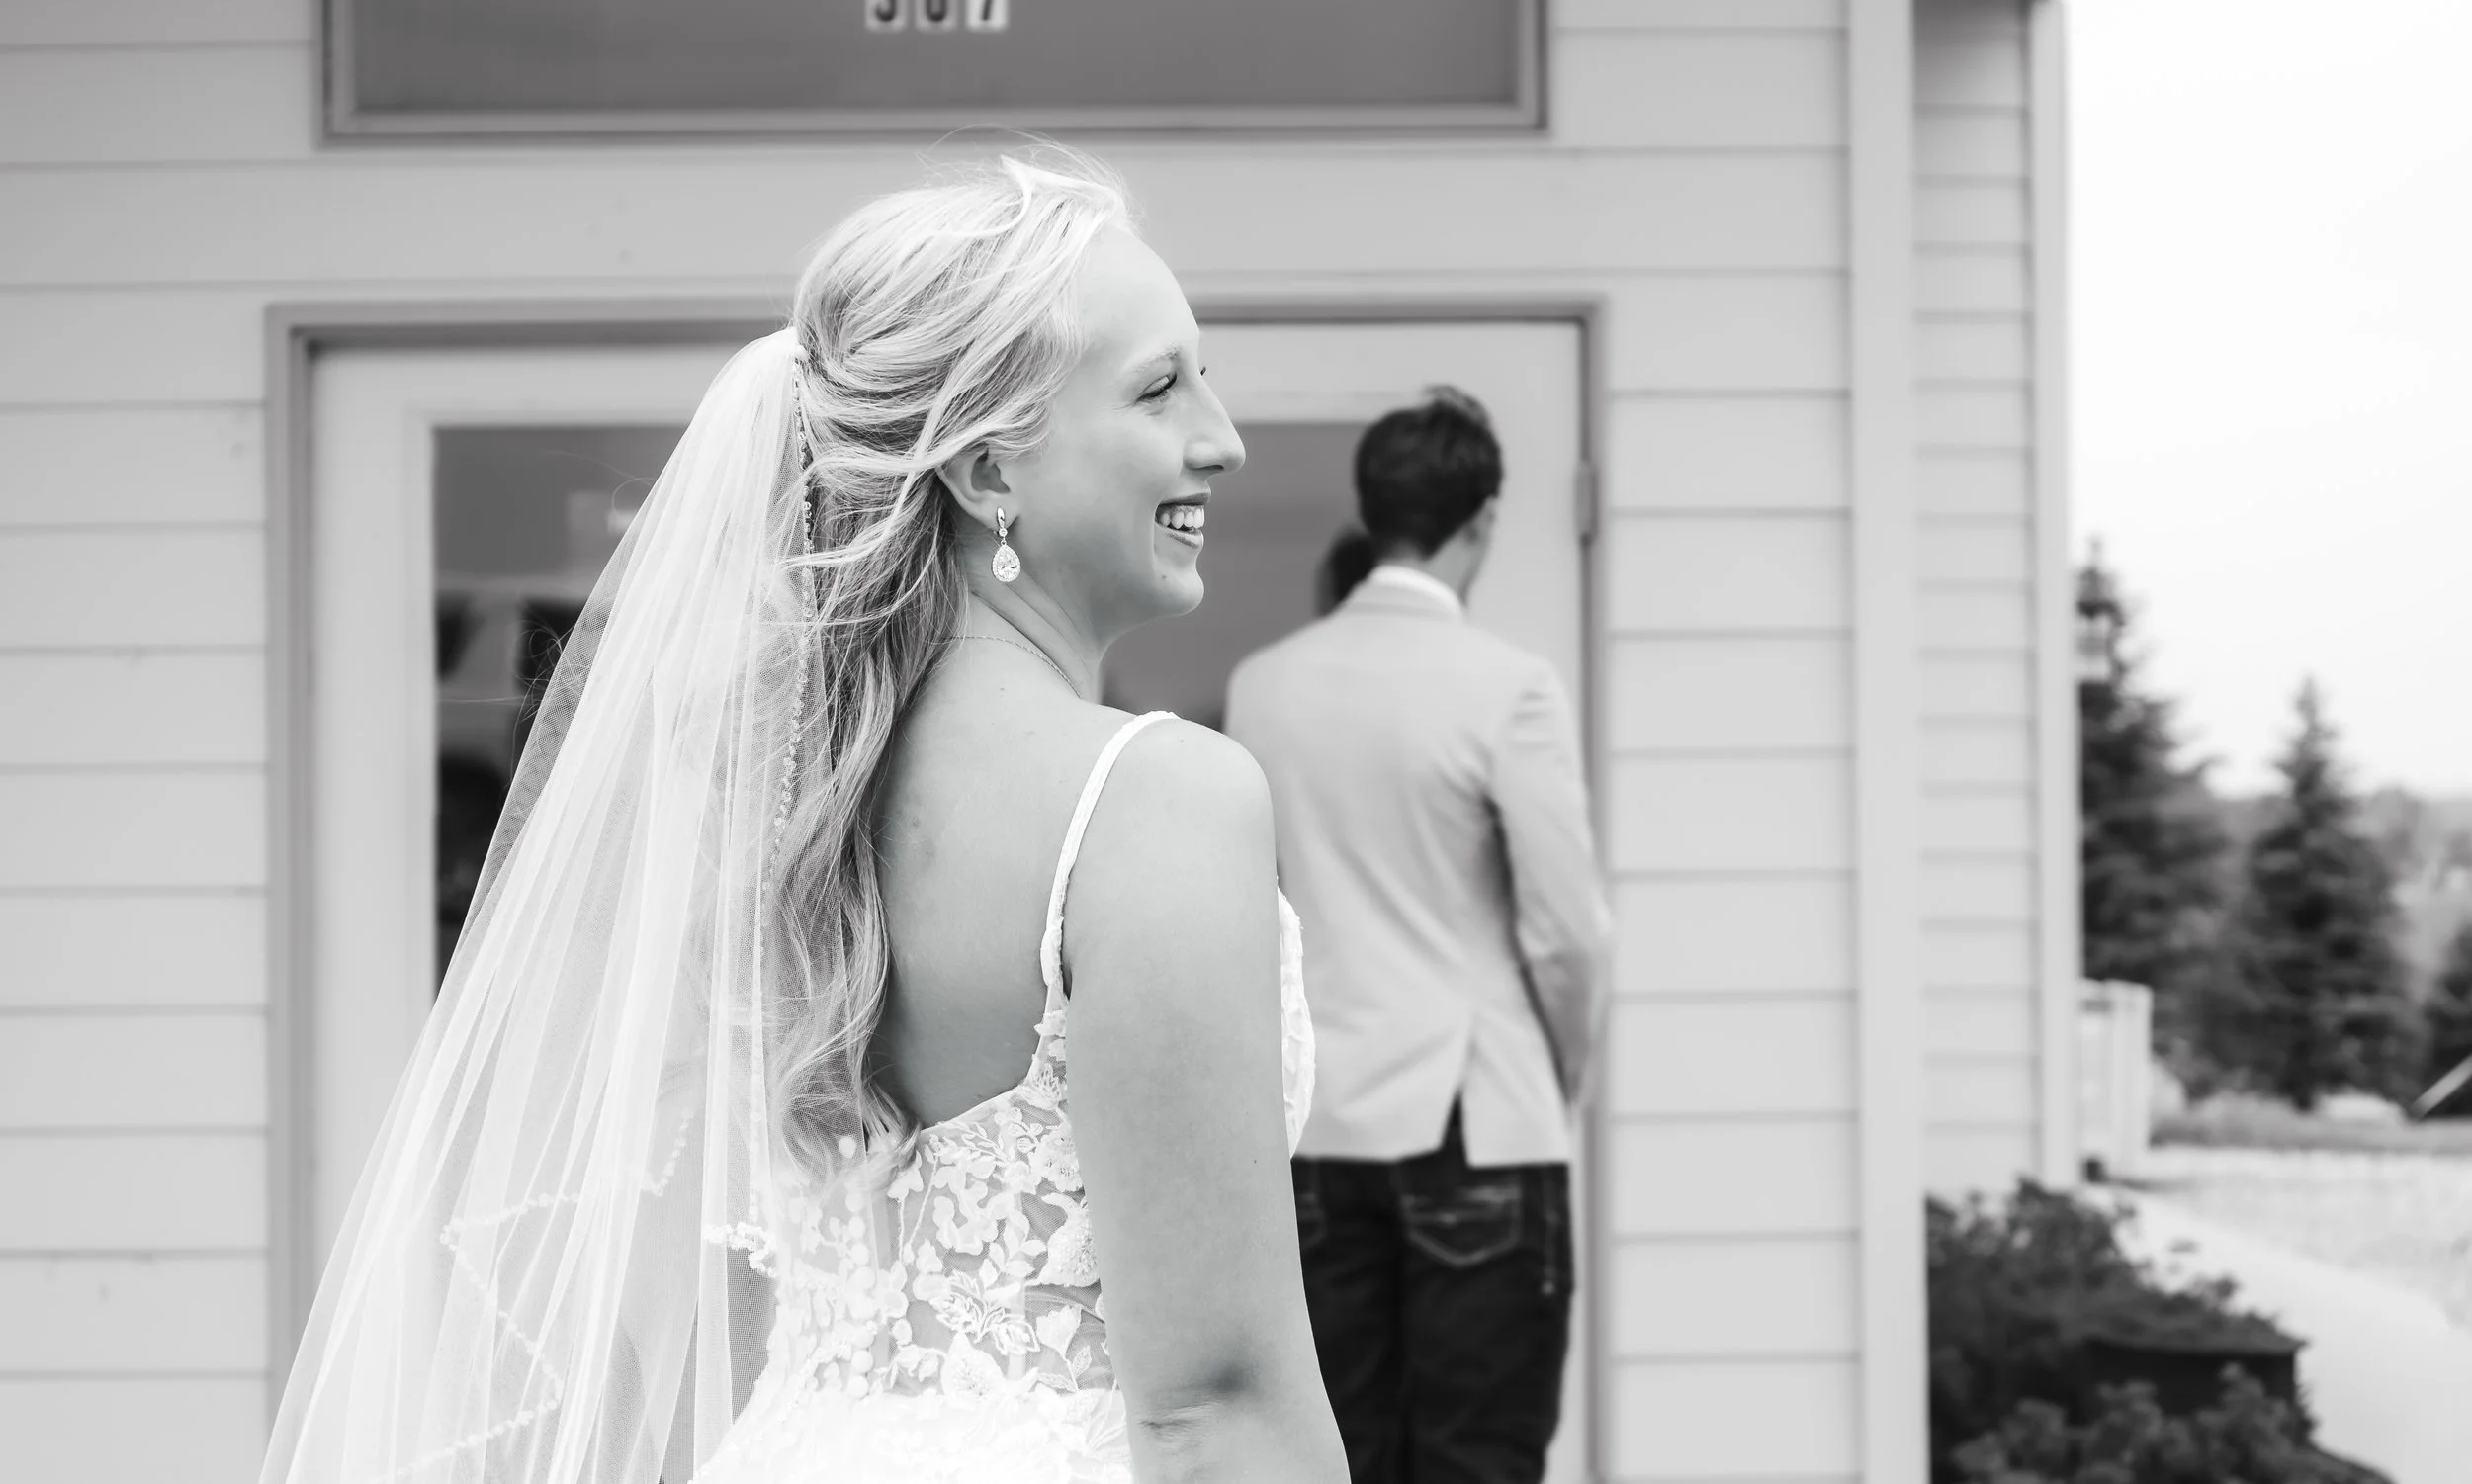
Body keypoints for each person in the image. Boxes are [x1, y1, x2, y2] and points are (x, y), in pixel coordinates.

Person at [261, 152, 1344, 1484]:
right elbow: (1214, 1405)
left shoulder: (768, 801)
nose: (1222, 435)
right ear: (993, 458)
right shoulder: (1158, 801)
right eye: (1160, 384)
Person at [1224, 388, 1612, 1484]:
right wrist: (1559, 1071)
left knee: (1340, 1457)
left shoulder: (1263, 687)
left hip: (1321, 1128)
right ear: (1482, 518)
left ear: (1371, 510)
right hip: (1476, 1115)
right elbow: (1568, 931)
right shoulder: (1508, 686)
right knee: (1477, 1461)